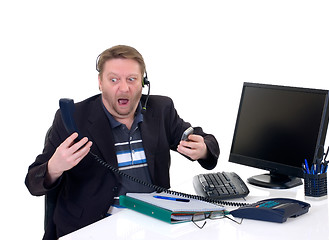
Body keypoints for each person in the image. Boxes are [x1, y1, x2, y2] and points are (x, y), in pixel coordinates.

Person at [25, 45, 219, 240]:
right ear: (100, 82)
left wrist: (202, 149)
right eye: (114, 79)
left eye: (132, 79)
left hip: (152, 226)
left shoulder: (160, 110)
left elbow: (207, 140)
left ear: (143, 82)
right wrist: (54, 168)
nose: (124, 87)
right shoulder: (73, 117)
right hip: (92, 227)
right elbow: (32, 182)